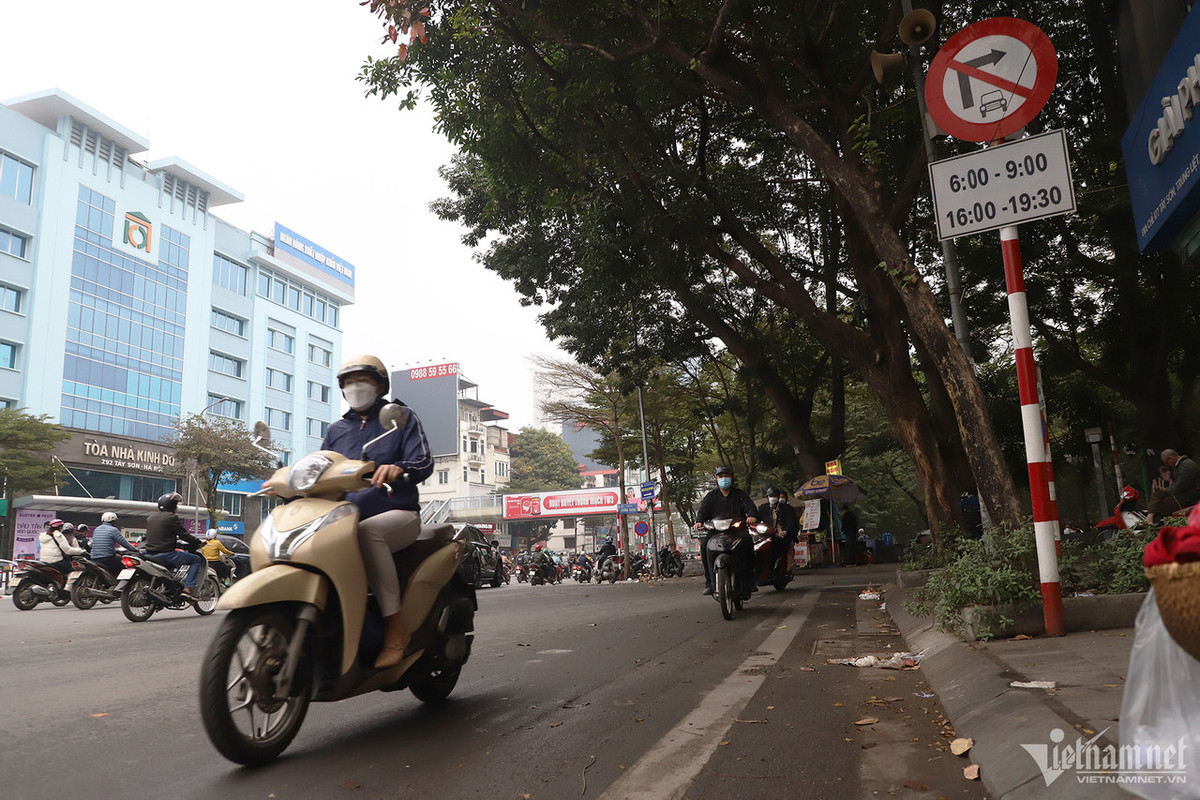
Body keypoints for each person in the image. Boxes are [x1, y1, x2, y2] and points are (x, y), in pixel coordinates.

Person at [317, 354, 434, 669]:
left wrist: (399, 468)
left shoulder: (400, 417)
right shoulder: (337, 430)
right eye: (348, 382)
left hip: (397, 513)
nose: (355, 387)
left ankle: (396, 628)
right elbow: (320, 469)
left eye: (362, 380)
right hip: (343, 519)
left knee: (368, 534)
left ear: (379, 384)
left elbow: (423, 461)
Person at [693, 465, 758, 598]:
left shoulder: (740, 495)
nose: (724, 479)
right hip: (715, 532)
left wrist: (752, 516)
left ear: (732, 478)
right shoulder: (710, 497)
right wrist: (699, 521)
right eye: (721, 476)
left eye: (727, 476)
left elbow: (750, 507)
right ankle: (710, 583)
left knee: (748, 543)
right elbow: (703, 512)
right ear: (716, 479)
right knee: (704, 546)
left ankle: (749, 582)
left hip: (737, 531)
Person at [145, 492, 205, 597]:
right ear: (172, 505)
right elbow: (183, 535)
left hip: (149, 553)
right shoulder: (171, 517)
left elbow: (162, 535)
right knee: (196, 560)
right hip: (166, 554)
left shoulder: (151, 518)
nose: (177, 507)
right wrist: (198, 542)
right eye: (176, 505)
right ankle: (187, 588)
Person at [1147, 449, 1200, 524]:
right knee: (1157, 495)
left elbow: (1180, 486)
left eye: (1166, 462)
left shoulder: (1187, 466)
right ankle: (1150, 517)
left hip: (1188, 496)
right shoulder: (1182, 465)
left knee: (1162, 506)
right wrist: (1166, 490)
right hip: (1184, 493)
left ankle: (1154, 523)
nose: (1167, 465)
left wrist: (1167, 490)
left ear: (1171, 458)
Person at [756, 487, 800, 569]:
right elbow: (757, 519)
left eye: (774, 496)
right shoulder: (763, 508)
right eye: (770, 496)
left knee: (787, 544)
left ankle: (787, 568)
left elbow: (791, 523)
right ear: (767, 497)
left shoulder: (787, 509)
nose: (772, 498)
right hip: (768, 534)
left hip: (783, 534)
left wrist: (785, 531)